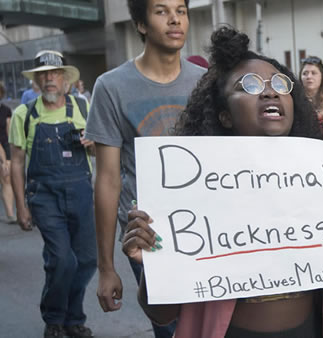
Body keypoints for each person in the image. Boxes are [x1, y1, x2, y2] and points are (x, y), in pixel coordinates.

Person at [121, 26, 323, 338]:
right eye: (249, 85)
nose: (269, 91)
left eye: (280, 83)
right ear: (223, 115)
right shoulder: (191, 192)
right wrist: (152, 266)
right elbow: (160, 312)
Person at [83, 0, 205, 337]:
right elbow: (107, 181)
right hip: (148, 240)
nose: (174, 20)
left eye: (180, 10)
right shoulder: (111, 86)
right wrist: (106, 268)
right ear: (140, 23)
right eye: (161, 11)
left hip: (207, 232)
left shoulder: (208, 83)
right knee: (172, 330)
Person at [9, 50, 96, 338]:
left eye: (54, 73)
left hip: (81, 191)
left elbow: (100, 149)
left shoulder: (82, 106)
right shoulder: (24, 114)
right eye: (43, 74)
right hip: (44, 195)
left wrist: (92, 144)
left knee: (85, 260)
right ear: (36, 80)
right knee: (62, 259)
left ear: (64, 78)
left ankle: (73, 319)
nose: (49, 79)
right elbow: (17, 162)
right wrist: (21, 207)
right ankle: (54, 319)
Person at [0, 82, 16, 223]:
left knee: (7, 177)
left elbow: (9, 132)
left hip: (4, 145)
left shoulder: (5, 110)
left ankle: (10, 214)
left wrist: (8, 156)